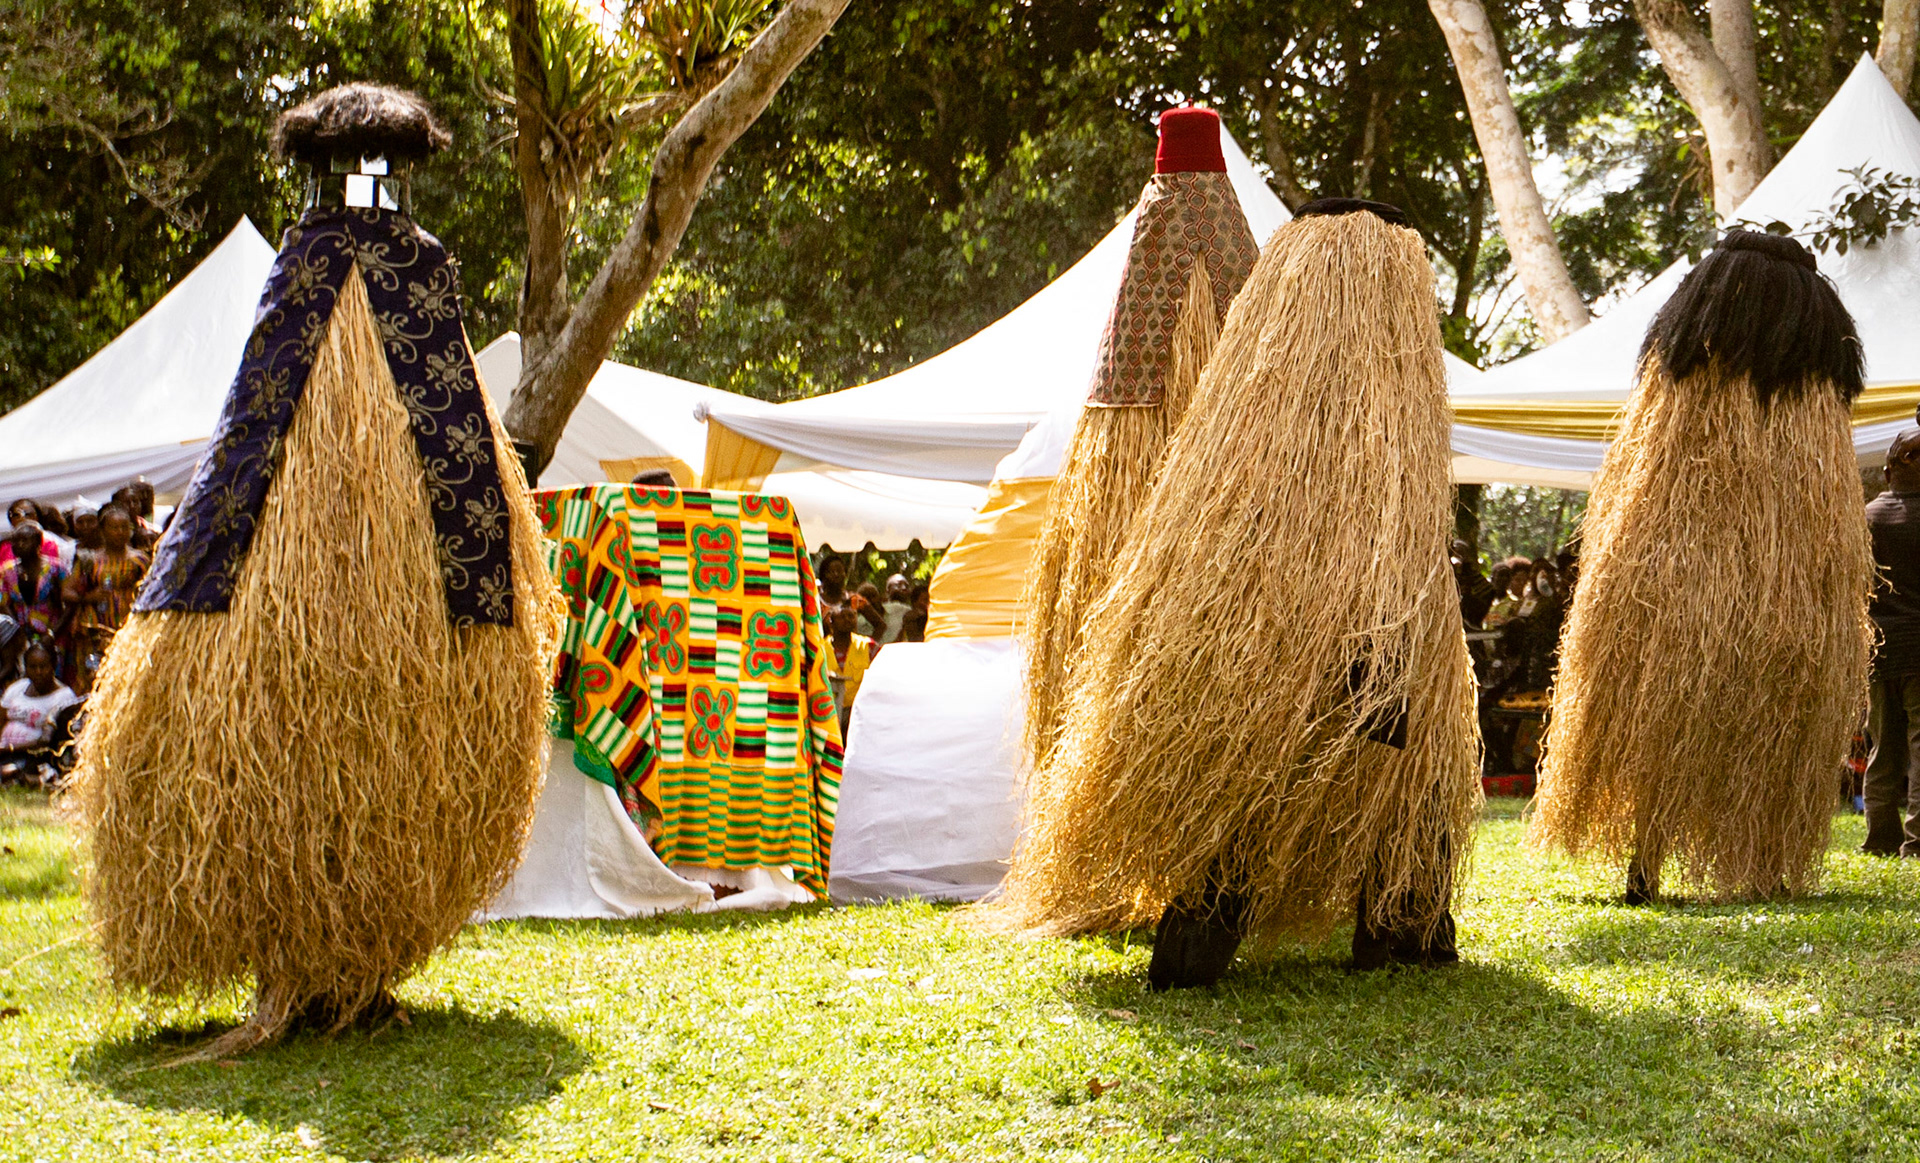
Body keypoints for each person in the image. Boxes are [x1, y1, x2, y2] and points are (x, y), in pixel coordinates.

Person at [992, 199, 1477, 989]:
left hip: (1339, 614)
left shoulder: (1271, 383)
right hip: (1350, 613)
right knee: (1350, 738)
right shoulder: (1350, 377)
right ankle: (1377, 920)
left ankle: (1388, 916)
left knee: (1358, 741)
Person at [1533, 230, 1872, 905]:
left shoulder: (1690, 356)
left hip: (1689, 565)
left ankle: (1652, 864)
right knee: (1762, 709)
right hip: (1764, 576)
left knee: (1676, 708)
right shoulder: (1816, 370)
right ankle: (1761, 865)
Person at [1863, 429, 1920, 856]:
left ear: (1887, 473)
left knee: (1883, 747)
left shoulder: (1866, 518)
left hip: (1880, 648)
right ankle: (1918, 842)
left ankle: (1881, 837)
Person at [65, 503, 150, 663]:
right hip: (95, 631)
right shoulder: (90, 560)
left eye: (124, 527)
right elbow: (67, 592)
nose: (120, 532)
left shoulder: (139, 560)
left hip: (128, 628)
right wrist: (88, 598)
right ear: (103, 530)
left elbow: (152, 592)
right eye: (114, 528)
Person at [0, 641, 80, 786]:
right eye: (33, 667)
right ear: (26, 668)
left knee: (8, 771)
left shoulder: (64, 697)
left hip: (33, 757)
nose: (38, 672)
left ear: (53, 666)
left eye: (43, 667)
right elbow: (2, 719)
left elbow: (47, 742)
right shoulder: (17, 688)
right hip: (4, 752)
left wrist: (9, 749)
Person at [0, 522, 67, 670]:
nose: (19, 545)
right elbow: (4, 603)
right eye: (15, 541)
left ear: (38, 543)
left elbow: (69, 605)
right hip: (22, 638)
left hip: (53, 635)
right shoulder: (8, 571)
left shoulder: (56, 568)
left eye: (24, 540)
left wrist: (52, 634)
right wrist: (16, 630)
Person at [822, 602, 876, 734]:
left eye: (851, 616)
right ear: (831, 621)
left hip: (859, 711)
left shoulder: (868, 646)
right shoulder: (820, 648)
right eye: (842, 617)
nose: (847, 620)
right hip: (828, 710)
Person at [1452, 540, 1496, 627]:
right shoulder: (1446, 577)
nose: (1457, 556)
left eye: (1461, 553)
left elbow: (1488, 594)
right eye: (1455, 553)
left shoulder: (1474, 577)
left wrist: (1468, 596)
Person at [877, 573, 914, 644]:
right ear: (888, 589)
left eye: (906, 586)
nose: (904, 588)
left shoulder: (911, 612)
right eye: (898, 585)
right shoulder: (880, 609)